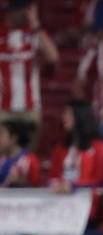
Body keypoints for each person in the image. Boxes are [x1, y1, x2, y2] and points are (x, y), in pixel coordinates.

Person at [0, 0, 59, 148]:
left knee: (26, 158)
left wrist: (36, 26)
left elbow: (53, 57)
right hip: (3, 109)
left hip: (30, 108)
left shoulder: (34, 35)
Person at [48, 101, 103, 192]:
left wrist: (74, 185)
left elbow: (99, 180)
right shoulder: (61, 146)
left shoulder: (98, 146)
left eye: (68, 114)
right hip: (61, 198)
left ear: (80, 117)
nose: (64, 117)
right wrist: (54, 184)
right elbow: (53, 175)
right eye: (64, 113)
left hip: (86, 198)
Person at [0, 120, 40, 187]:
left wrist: (20, 183)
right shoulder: (2, 158)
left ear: (13, 138)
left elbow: (35, 186)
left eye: (1, 134)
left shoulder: (29, 160)